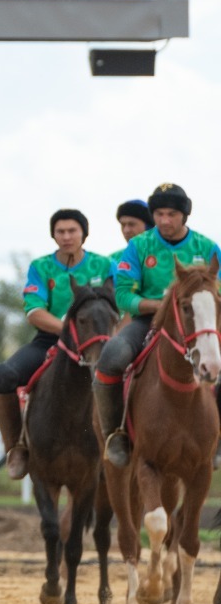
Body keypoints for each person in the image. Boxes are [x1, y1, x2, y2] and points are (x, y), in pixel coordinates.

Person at [94, 183, 220, 467]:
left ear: (184, 215)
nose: (164, 220)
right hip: (148, 320)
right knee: (112, 355)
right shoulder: (138, 246)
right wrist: (161, 306)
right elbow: (123, 295)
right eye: (159, 214)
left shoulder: (208, 248)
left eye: (171, 214)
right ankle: (115, 435)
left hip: (200, 322)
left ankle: (217, 440)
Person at [0, 209, 114, 479]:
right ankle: (17, 448)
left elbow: (121, 304)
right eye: (60, 231)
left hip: (99, 342)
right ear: (53, 235)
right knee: (2, 375)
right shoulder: (41, 267)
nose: (66, 236)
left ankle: (120, 442)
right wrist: (69, 332)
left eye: (72, 231)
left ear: (84, 234)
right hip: (50, 339)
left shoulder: (105, 266)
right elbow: (34, 311)